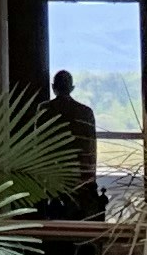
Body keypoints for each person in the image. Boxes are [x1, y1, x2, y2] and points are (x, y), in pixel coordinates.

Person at [45, 67, 104, 216]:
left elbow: (38, 146)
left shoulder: (44, 110)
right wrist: (90, 179)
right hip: (80, 176)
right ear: (72, 88)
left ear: (53, 88)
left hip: (52, 175)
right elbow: (91, 148)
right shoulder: (85, 112)